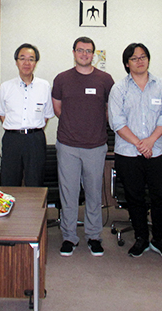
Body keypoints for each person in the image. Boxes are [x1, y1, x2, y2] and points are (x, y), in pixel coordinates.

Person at [108, 43, 162, 259]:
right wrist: (139, 143)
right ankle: (141, 237)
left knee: (161, 196)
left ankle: (160, 238)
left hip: (156, 151)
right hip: (128, 152)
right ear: (127, 63)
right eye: (134, 58)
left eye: (143, 56)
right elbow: (116, 122)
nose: (139, 61)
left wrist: (150, 141)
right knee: (134, 197)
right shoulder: (119, 88)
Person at [52, 37, 114, 257]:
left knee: (94, 193)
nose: (84, 54)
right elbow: (58, 108)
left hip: (95, 145)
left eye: (88, 51)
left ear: (93, 54)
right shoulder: (62, 79)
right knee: (68, 193)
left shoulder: (105, 79)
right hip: (68, 144)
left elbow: (109, 110)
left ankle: (94, 236)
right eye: (80, 50)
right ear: (73, 52)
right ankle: (69, 236)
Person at [0, 43, 54, 187]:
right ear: (16, 62)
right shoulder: (5, 87)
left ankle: (35, 210)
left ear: (36, 62)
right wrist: (15, 128)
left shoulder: (44, 86)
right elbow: (2, 114)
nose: (26, 63)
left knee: (35, 180)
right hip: (12, 139)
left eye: (31, 59)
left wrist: (31, 129)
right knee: (9, 181)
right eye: (22, 58)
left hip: (35, 139)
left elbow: (46, 115)